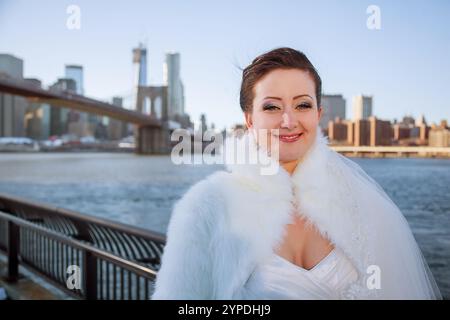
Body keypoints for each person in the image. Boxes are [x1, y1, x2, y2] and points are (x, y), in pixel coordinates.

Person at [151, 47, 442, 299]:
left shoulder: (360, 200)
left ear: (318, 114)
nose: (288, 121)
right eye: (272, 107)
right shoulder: (206, 207)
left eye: (302, 104)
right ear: (250, 119)